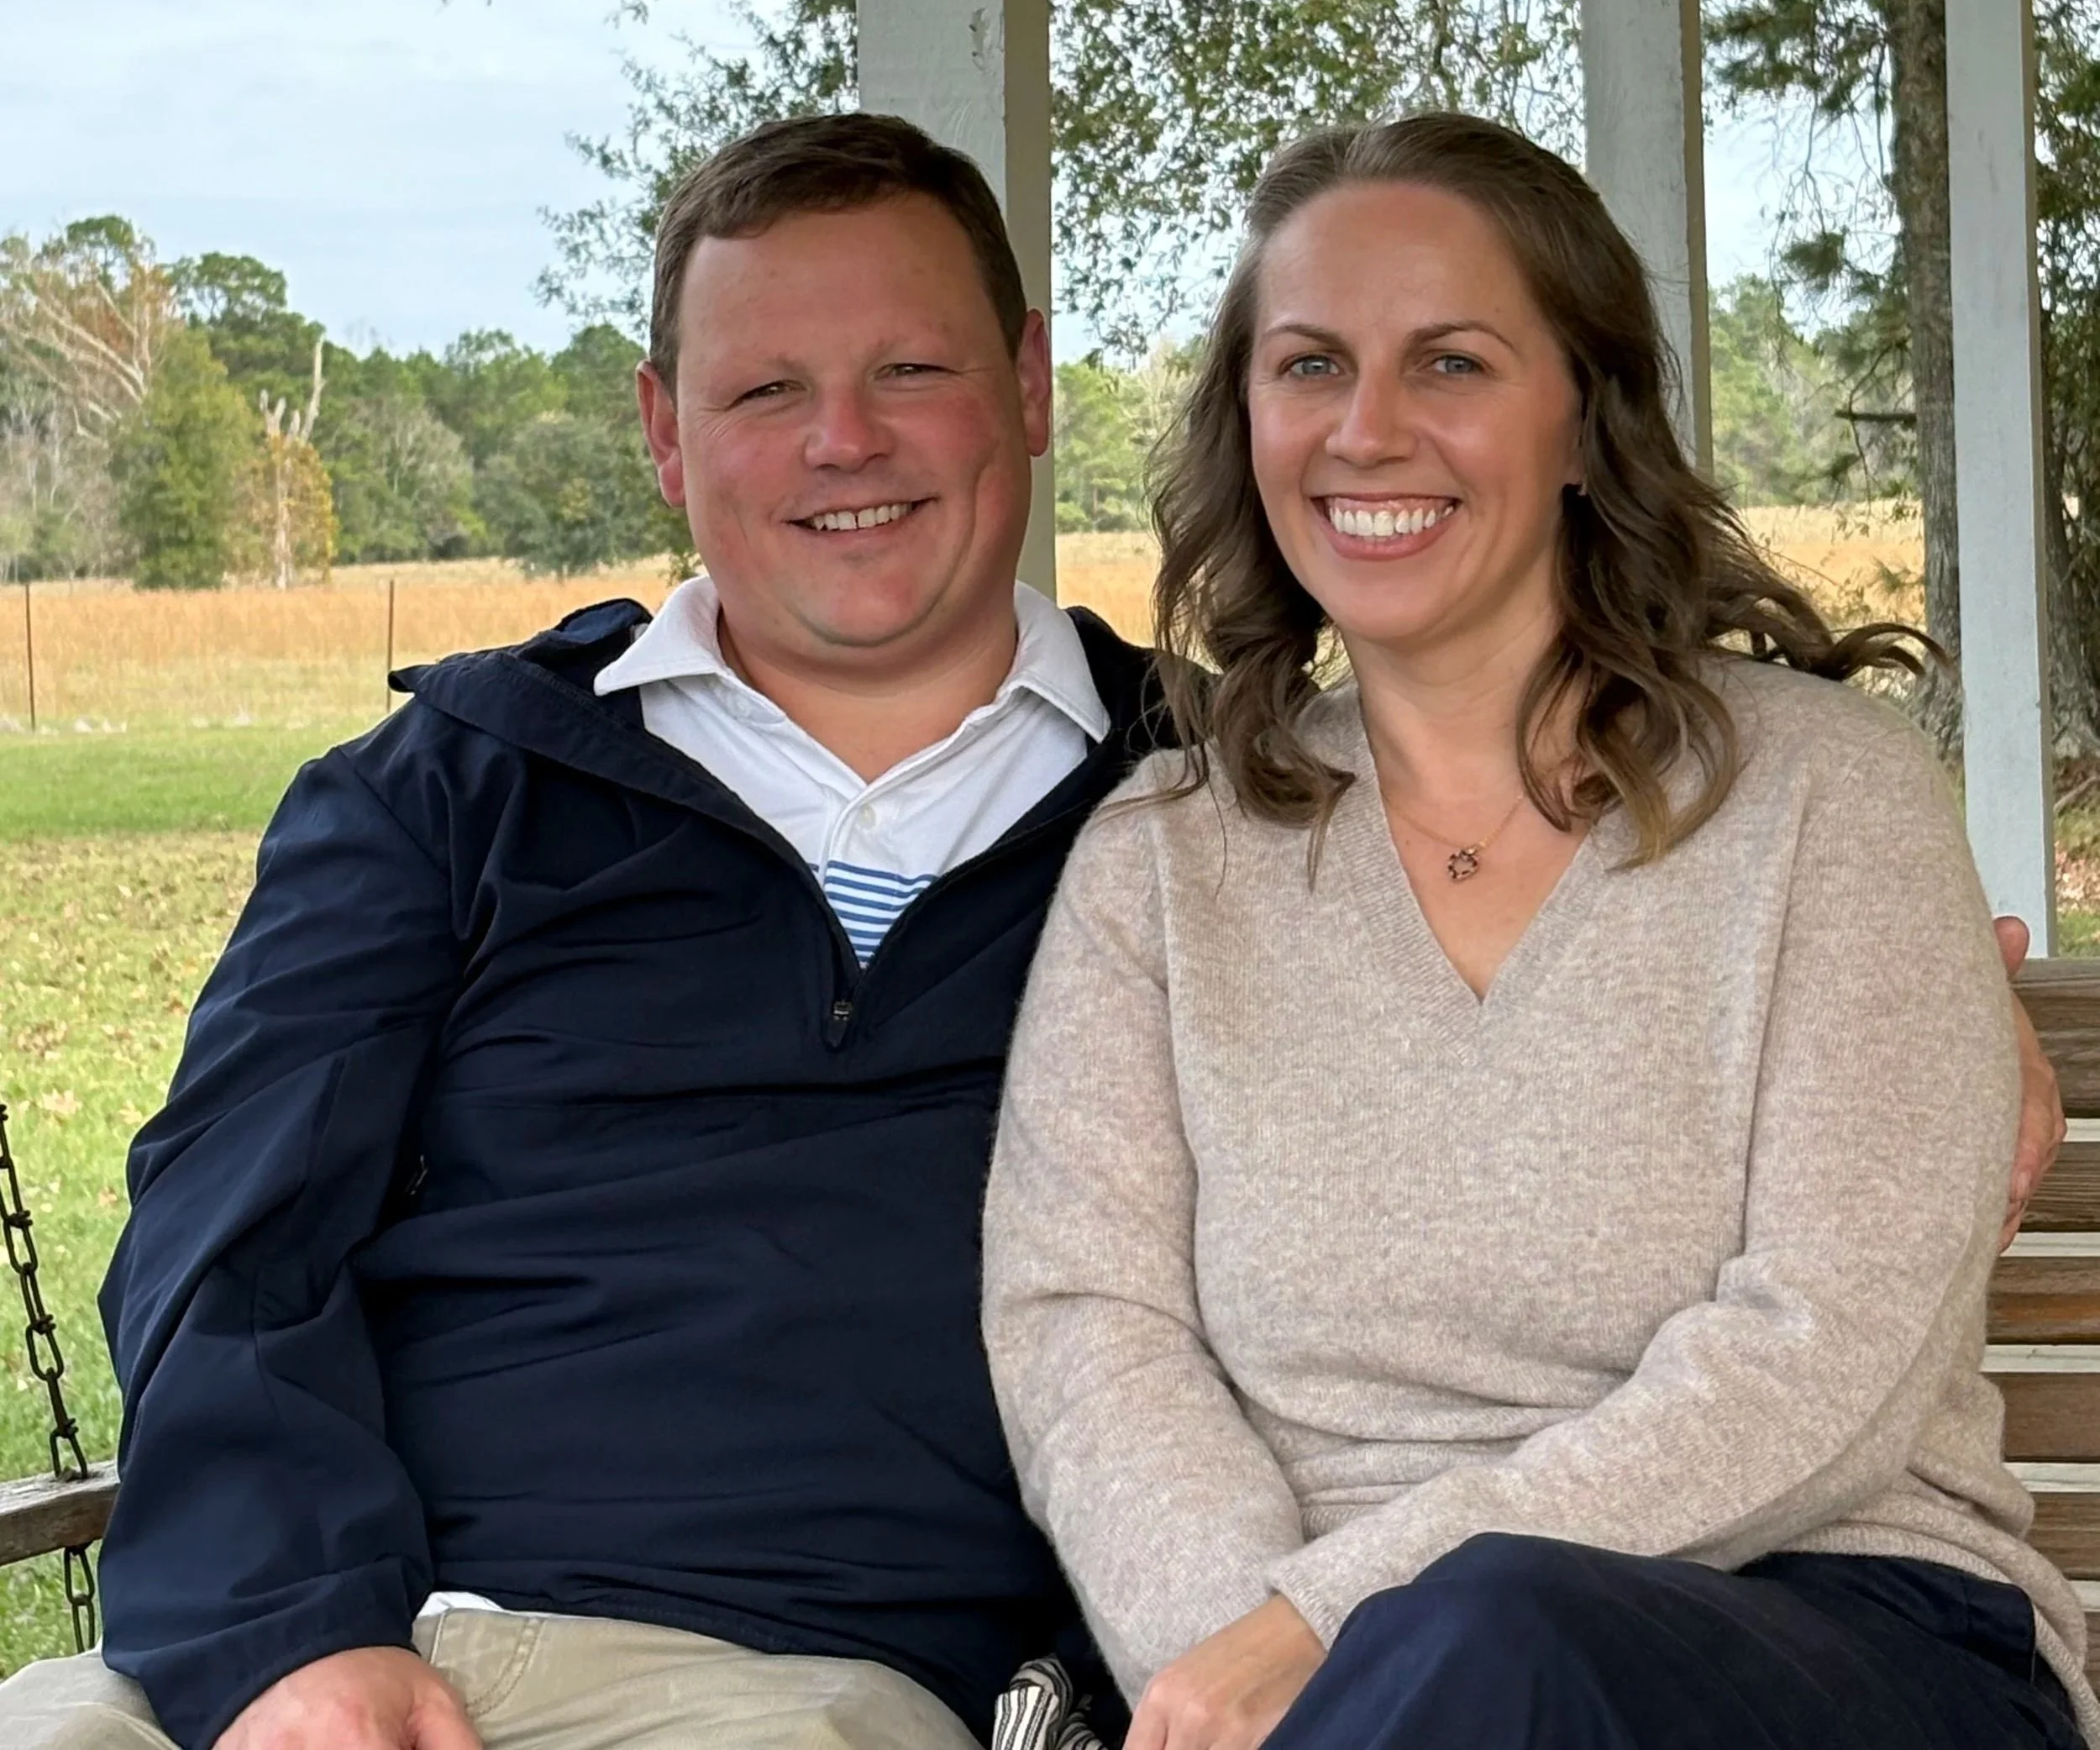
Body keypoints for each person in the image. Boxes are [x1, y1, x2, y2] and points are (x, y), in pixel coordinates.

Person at [0, 110, 2061, 1750]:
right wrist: (286, 1629)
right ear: (659, 429)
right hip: (348, 1654)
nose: (843, 441)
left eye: (908, 371)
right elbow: (227, 1237)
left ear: (1028, 386)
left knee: (1490, 1643)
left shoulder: (1165, 786)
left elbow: (1815, 1309)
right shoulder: (490, 788)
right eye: (766, 389)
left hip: (857, 1682)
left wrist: (1299, 1636)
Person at [980, 112, 2097, 1750]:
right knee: (1464, 1658)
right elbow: (1090, 1333)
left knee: (1495, 1635)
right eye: (1305, 365)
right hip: (1327, 1693)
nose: (1364, 429)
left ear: (1584, 415)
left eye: (1446, 363)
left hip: (1839, 1628)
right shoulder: (1160, 863)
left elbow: (1821, 1354)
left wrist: (1326, 1620)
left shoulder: (1821, 803)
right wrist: (1244, 1651)